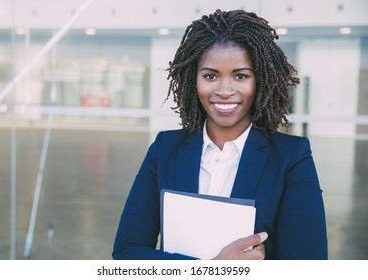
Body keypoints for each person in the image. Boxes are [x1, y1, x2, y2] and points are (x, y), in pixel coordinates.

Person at [112, 9, 327, 260]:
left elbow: (308, 266)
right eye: (210, 76)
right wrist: (214, 268)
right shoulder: (164, 148)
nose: (225, 90)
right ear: (194, 80)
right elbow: (127, 251)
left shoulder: (292, 157)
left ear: (261, 82)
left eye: (241, 76)